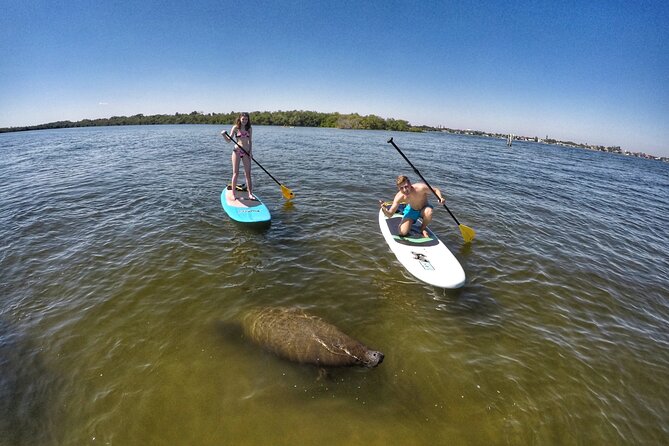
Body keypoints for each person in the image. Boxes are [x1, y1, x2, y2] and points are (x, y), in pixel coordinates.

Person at [379, 175, 445, 238]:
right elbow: (390, 214)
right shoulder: (399, 197)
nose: (405, 190)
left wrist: (440, 198)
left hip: (424, 209)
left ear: (410, 184)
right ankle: (407, 222)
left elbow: (436, 190)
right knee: (402, 233)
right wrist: (384, 210)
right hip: (412, 211)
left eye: (406, 186)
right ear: (398, 188)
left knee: (429, 211)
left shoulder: (420, 188)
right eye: (401, 188)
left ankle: (422, 228)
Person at [222, 112, 254, 200]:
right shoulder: (235, 128)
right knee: (235, 173)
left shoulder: (249, 129)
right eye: (243, 119)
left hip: (246, 152)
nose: (244, 121)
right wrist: (224, 135)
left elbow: (250, 141)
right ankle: (233, 194)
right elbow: (229, 140)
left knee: (248, 173)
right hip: (237, 151)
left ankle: (250, 194)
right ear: (240, 119)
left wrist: (251, 152)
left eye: (246, 119)